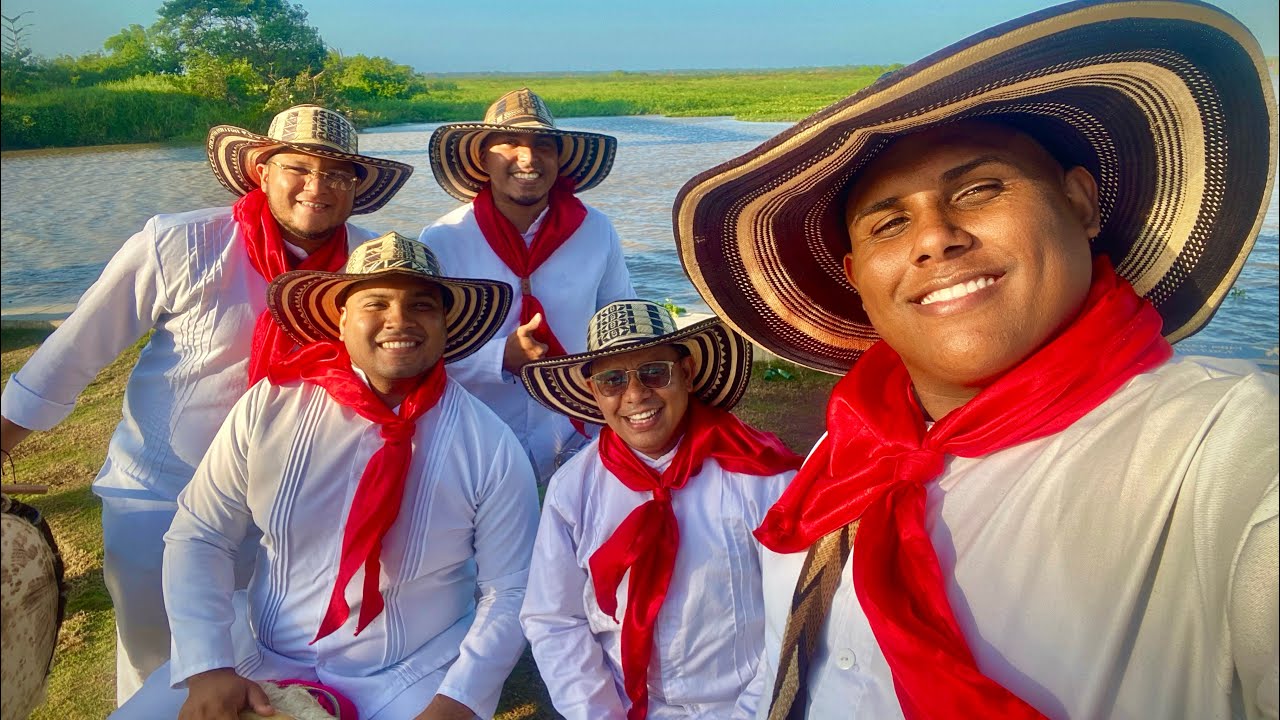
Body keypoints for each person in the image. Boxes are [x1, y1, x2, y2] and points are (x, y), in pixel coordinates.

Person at [672, 1, 1278, 718]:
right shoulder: (851, 451)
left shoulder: (1226, 450)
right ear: (858, 277)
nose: (934, 239)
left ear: (1081, 203)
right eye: (890, 223)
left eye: (979, 189)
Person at [0, 104, 412, 703]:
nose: (317, 187)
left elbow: (407, 361)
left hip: (293, 504)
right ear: (261, 171)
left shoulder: (371, 264)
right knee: (158, 669)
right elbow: (74, 353)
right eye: (298, 167)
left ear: (357, 188)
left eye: (338, 175)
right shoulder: (178, 241)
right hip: (160, 496)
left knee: (267, 664)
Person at [111, 233, 538, 720]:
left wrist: (458, 701)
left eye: (422, 305)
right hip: (258, 655)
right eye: (375, 302)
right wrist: (209, 666)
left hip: (410, 671)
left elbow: (512, 588)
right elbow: (201, 533)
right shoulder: (269, 406)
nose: (399, 320)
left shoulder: (488, 442)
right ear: (341, 320)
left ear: (446, 325)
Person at [518, 300, 801, 719]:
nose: (635, 395)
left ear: (685, 374)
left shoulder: (760, 476)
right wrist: (598, 713)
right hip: (621, 705)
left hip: (744, 705)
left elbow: (792, 612)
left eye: (654, 372)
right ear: (595, 393)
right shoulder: (572, 491)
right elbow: (554, 619)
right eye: (612, 380)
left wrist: (751, 713)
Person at [419, 87, 635, 481]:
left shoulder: (595, 230)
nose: (528, 158)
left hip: (578, 434)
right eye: (509, 143)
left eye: (543, 146)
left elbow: (620, 325)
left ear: (559, 159)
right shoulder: (443, 239)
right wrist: (499, 358)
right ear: (484, 157)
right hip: (475, 437)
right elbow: (421, 350)